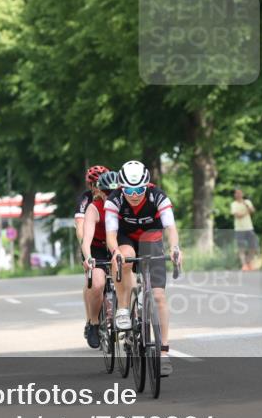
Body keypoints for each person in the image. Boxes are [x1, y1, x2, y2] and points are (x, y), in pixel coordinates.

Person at [105, 160, 182, 377]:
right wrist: (115, 252)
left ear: (146, 185)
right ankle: (123, 308)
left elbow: (171, 228)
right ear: (121, 187)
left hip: (151, 239)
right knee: (124, 257)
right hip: (126, 238)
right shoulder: (114, 200)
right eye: (129, 190)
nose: (134, 195)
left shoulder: (158, 196)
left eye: (139, 189)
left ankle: (163, 352)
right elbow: (111, 235)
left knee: (158, 297)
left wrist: (175, 248)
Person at [81, 169, 119, 350]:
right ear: (100, 192)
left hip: (116, 247)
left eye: (114, 192)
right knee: (97, 283)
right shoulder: (94, 208)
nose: (110, 195)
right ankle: (94, 323)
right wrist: (88, 257)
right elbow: (86, 239)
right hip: (97, 248)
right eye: (107, 192)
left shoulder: (124, 205)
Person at [75, 165, 110, 348]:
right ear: (90, 185)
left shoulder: (114, 196)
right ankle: (93, 321)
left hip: (112, 243)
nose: (99, 187)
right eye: (95, 184)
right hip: (93, 244)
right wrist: (85, 248)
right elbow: (80, 226)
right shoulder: (86, 199)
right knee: (94, 282)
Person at [230, 188, 257, 270]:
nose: (238, 195)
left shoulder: (247, 202)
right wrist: (247, 212)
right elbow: (238, 215)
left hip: (249, 227)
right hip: (239, 229)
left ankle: (249, 262)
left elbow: (253, 210)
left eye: (240, 193)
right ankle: (244, 264)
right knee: (241, 247)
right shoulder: (233, 204)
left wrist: (247, 206)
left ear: (242, 194)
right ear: (235, 195)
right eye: (237, 193)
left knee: (253, 246)